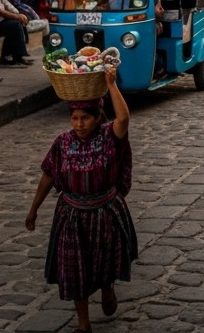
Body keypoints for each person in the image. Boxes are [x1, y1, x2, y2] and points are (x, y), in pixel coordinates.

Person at [25, 64, 137, 332]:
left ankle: (107, 287)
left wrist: (111, 84)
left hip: (105, 212)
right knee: (74, 268)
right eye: (74, 118)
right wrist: (34, 209)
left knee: (105, 260)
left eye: (85, 119)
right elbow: (49, 175)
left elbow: (123, 119)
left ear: (98, 118)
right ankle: (83, 323)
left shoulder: (111, 137)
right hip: (71, 215)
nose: (79, 124)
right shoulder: (62, 143)